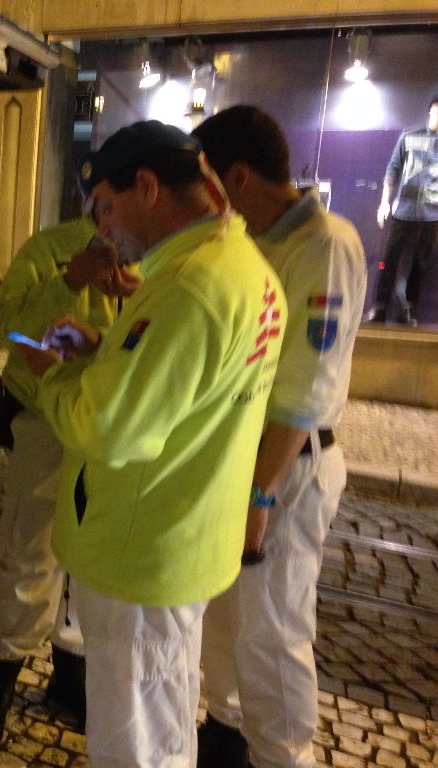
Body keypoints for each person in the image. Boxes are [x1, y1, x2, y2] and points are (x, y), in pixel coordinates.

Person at [14, 120, 287, 767]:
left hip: (141, 556)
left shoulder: (187, 286)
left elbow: (108, 429)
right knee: (163, 720)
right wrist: (104, 352)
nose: (103, 229)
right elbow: (186, 388)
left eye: (107, 207)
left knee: (134, 745)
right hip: (183, 538)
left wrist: (50, 375)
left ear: (147, 186)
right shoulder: (239, 264)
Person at [192, 106, 366, 768]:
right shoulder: (254, 237)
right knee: (228, 618)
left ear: (237, 176)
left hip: (286, 469)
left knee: (273, 630)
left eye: (207, 180)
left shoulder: (325, 245)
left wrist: (259, 496)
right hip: (242, 457)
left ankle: (284, 757)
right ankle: (226, 732)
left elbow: (306, 391)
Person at [0, 161, 138, 748]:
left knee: (92, 556)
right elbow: (5, 325)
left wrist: (104, 336)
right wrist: (69, 281)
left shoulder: (157, 261)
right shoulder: (50, 249)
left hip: (112, 430)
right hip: (44, 418)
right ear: (95, 199)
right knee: (28, 550)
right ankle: (0, 679)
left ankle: (72, 673)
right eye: (111, 201)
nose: (119, 217)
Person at [373, 96, 438, 325]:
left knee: (422, 262)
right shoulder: (409, 136)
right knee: (389, 259)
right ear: (430, 111)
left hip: (433, 214)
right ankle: (380, 307)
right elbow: (393, 169)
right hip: (404, 210)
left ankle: (408, 308)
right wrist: (384, 202)